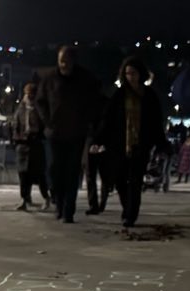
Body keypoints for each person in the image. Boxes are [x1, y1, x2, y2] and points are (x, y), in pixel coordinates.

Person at [34, 45, 104, 224]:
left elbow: (95, 102)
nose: (64, 65)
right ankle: (58, 203)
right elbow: (40, 102)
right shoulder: (49, 78)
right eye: (61, 61)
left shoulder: (85, 79)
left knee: (72, 172)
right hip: (55, 133)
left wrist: (87, 121)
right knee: (55, 170)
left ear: (73, 61)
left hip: (76, 133)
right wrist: (47, 121)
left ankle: (68, 211)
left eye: (67, 61)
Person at [97, 57, 166, 228]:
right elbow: (108, 119)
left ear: (140, 74)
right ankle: (126, 207)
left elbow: (157, 121)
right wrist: (99, 139)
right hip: (119, 144)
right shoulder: (119, 95)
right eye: (127, 73)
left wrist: (161, 143)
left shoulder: (149, 95)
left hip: (140, 145)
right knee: (120, 180)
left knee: (135, 181)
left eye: (133, 73)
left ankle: (131, 215)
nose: (130, 77)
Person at [11, 82, 49, 211]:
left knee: (39, 174)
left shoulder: (40, 109)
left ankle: (46, 197)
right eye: (28, 95)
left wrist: (38, 135)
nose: (29, 98)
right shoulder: (21, 109)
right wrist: (17, 139)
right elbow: (15, 125)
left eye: (32, 95)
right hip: (22, 145)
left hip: (35, 144)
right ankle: (24, 199)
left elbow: (44, 125)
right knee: (23, 174)